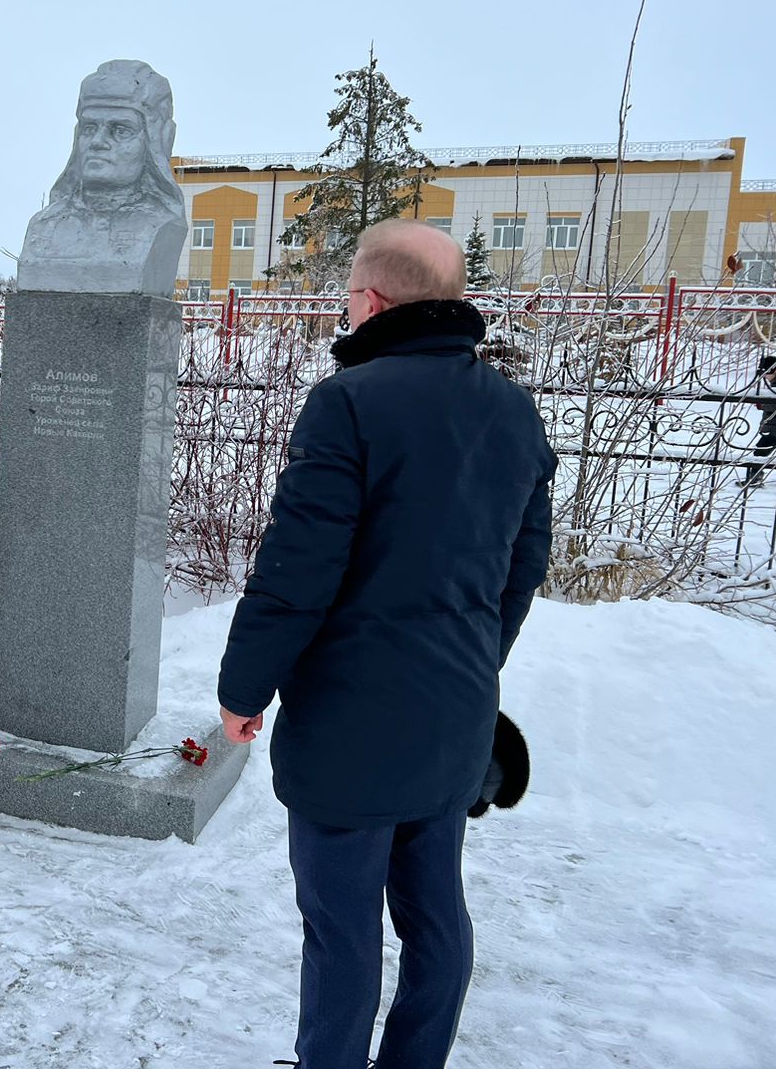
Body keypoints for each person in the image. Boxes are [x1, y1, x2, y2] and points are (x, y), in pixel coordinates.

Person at [217, 218, 556, 1069]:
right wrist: (476, 662)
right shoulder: (514, 412)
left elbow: (298, 571)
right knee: (437, 917)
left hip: (350, 727)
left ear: (370, 299)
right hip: (455, 719)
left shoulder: (348, 403)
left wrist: (243, 690)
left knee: (342, 931)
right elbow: (522, 570)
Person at [17, 59, 188, 296]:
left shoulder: (159, 226)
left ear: (156, 141)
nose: (98, 142)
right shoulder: (43, 226)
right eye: (89, 128)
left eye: (120, 130)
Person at [745, 351, 776, 486]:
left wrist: (762, 403)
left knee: (759, 452)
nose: (765, 378)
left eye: (766, 374)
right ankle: (754, 478)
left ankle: (754, 479)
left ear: (775, 369)